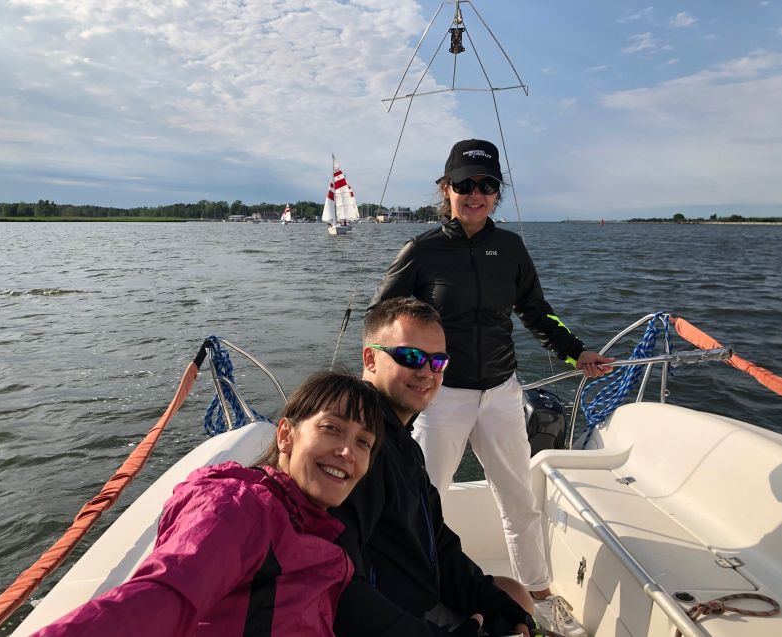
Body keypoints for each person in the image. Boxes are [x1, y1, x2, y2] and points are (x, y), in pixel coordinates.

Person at [367, 139, 614, 637]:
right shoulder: (422, 250)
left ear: (498, 193)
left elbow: (536, 311)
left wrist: (577, 352)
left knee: (519, 499)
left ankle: (538, 596)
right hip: (440, 396)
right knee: (423, 503)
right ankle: (423, 599)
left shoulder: (512, 249)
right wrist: (382, 380)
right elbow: (381, 318)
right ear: (446, 189)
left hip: (502, 392)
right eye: (465, 184)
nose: (475, 194)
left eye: (486, 185)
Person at [31, 371, 385, 637]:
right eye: (331, 428)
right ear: (285, 436)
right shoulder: (239, 509)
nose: (347, 452)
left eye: (363, 443)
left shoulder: (313, 530)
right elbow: (161, 598)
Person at [331, 297, 536, 637]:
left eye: (438, 361)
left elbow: (438, 543)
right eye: (411, 357)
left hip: (417, 594)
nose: (426, 372)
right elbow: (344, 589)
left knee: (512, 596)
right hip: (393, 617)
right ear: (370, 359)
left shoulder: (404, 444)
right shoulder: (356, 451)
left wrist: (493, 605)